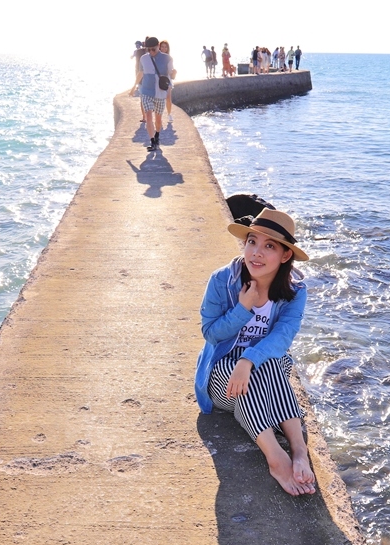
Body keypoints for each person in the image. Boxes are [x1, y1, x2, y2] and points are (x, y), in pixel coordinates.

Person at [195, 208, 316, 496]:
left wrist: (248, 360)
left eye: (269, 246)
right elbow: (210, 333)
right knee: (260, 373)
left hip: (258, 372)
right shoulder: (222, 281)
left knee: (271, 363)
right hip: (221, 379)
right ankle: (276, 458)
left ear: (285, 256)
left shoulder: (295, 291)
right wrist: (242, 308)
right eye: (252, 242)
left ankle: (299, 451)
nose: (256, 253)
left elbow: (282, 337)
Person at [132, 36, 172, 152]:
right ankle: (152, 141)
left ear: (158, 46)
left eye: (153, 49)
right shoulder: (144, 58)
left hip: (160, 92)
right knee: (149, 115)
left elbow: (171, 75)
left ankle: (157, 135)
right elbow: (140, 73)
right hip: (146, 91)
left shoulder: (167, 58)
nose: (151, 52)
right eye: (148, 50)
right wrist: (133, 87)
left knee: (158, 119)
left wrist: (174, 74)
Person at [158, 40, 177, 123]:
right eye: (162, 46)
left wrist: (174, 72)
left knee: (168, 98)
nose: (164, 48)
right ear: (159, 47)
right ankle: (159, 115)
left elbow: (171, 73)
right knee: (159, 99)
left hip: (167, 79)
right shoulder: (155, 57)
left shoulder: (169, 58)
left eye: (165, 47)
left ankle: (169, 114)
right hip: (157, 79)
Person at [131, 40, 147, 122]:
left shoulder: (137, 51)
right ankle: (145, 116)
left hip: (138, 69)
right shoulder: (143, 52)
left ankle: (145, 117)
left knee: (143, 98)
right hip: (140, 71)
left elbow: (132, 56)